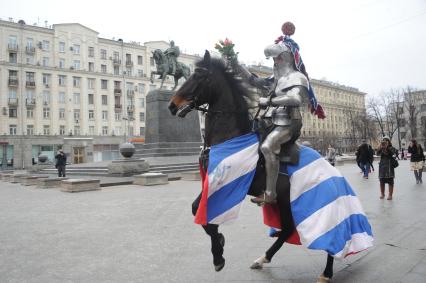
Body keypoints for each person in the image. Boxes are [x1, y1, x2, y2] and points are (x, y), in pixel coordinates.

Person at [237, 22, 325, 204]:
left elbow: (295, 99)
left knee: (268, 146)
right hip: (269, 120)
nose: (274, 63)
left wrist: (269, 101)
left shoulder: (298, 77)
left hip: (289, 122)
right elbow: (254, 82)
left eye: (276, 59)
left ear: (285, 58)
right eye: (273, 60)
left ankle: (270, 194)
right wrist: (236, 64)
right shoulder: (276, 78)